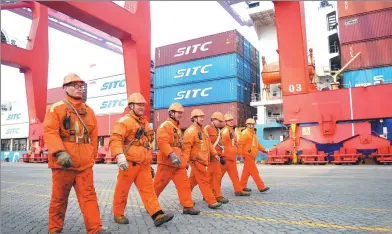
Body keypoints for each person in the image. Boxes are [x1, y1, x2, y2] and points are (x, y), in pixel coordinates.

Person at [43, 73, 110, 234]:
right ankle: (55, 229)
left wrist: (92, 156)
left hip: (84, 165)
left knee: (89, 198)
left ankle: (95, 229)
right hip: (63, 164)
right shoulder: (57, 108)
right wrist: (59, 152)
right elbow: (50, 131)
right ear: (65, 88)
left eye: (81, 86)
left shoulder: (89, 111)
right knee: (59, 199)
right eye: (75, 85)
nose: (80, 89)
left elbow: (93, 137)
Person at [110, 93, 174, 227]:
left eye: (143, 105)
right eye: (139, 105)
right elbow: (115, 139)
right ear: (131, 106)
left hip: (143, 164)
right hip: (128, 164)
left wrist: (148, 163)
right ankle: (118, 213)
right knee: (122, 189)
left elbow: (147, 144)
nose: (141, 107)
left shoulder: (145, 124)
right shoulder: (124, 121)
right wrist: (119, 156)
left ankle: (157, 215)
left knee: (149, 190)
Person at [153, 102, 200, 215]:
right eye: (178, 112)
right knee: (158, 186)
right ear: (171, 113)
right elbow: (162, 142)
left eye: (181, 113)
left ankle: (188, 206)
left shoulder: (177, 129)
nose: (180, 115)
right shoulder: (165, 126)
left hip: (178, 164)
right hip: (166, 163)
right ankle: (150, 205)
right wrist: (171, 154)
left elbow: (180, 146)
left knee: (184, 185)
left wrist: (185, 161)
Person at [183, 109, 222, 209]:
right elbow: (186, 148)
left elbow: (209, 145)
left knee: (191, 181)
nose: (202, 119)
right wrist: (185, 162)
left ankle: (184, 198)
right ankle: (211, 201)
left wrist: (215, 154)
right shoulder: (190, 131)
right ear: (194, 118)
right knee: (204, 181)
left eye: (202, 117)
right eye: (199, 117)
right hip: (196, 161)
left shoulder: (202, 131)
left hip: (202, 160)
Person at [219, 114, 251, 196]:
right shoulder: (225, 131)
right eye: (230, 120)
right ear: (225, 122)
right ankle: (213, 192)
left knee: (235, 175)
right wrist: (221, 156)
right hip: (225, 159)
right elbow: (220, 144)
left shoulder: (232, 131)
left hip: (232, 158)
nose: (232, 121)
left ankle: (238, 190)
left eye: (232, 120)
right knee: (218, 177)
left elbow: (234, 143)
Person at [238, 118, 270, 193]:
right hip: (248, 155)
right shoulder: (245, 133)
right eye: (249, 124)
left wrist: (264, 149)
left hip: (251, 156)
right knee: (254, 172)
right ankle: (261, 187)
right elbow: (240, 144)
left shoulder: (253, 134)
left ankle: (242, 186)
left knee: (246, 172)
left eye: (252, 124)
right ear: (246, 125)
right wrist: (240, 155)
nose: (251, 125)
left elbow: (257, 144)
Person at [203, 112, 229, 204]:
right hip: (209, 157)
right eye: (219, 121)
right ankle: (208, 195)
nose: (221, 123)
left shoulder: (218, 131)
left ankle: (217, 195)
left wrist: (221, 156)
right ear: (213, 120)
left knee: (217, 176)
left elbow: (220, 144)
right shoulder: (207, 129)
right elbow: (204, 144)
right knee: (208, 177)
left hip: (216, 158)